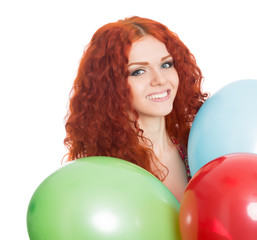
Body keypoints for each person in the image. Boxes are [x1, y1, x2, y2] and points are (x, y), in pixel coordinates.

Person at [64, 16, 208, 202]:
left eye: (166, 64)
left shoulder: (197, 146)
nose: (160, 80)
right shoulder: (107, 170)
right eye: (138, 71)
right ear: (111, 86)